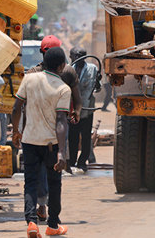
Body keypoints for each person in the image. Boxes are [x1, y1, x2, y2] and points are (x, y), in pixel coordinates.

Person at [12, 47, 71, 237]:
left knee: (30, 182)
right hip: (51, 144)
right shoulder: (63, 88)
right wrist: (62, 151)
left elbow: (17, 107)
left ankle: (31, 222)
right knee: (54, 183)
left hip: (29, 142)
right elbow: (61, 121)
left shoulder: (29, 79)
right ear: (62, 66)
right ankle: (53, 225)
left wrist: (16, 131)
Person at [25, 35, 82, 223]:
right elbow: (76, 100)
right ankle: (52, 219)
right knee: (54, 175)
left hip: (33, 134)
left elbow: (18, 106)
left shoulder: (31, 75)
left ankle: (37, 212)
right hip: (57, 132)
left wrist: (20, 130)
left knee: (34, 177)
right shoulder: (66, 74)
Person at [68, 47, 99, 172]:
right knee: (73, 136)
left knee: (86, 136)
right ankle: (72, 161)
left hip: (87, 108)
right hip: (73, 108)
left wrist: (98, 82)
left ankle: (82, 161)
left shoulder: (92, 69)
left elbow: (97, 88)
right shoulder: (69, 69)